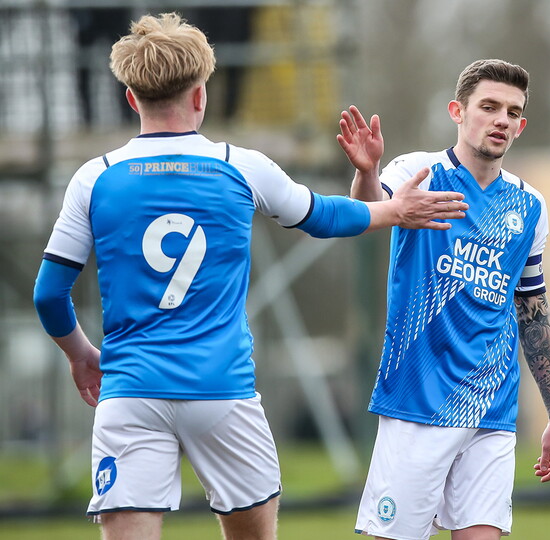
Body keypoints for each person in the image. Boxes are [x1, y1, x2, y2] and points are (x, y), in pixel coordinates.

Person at [31, 13, 467, 540]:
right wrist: (395, 208)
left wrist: (82, 356)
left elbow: (50, 295)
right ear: (201, 96)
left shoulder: (94, 178)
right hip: (223, 391)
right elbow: (327, 217)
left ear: (130, 98)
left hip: (131, 391)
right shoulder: (241, 166)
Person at [337, 58, 550, 540]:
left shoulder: (530, 206)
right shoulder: (419, 171)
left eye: (512, 111)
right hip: (418, 399)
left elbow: (532, 309)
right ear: (457, 112)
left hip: (492, 404)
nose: (501, 119)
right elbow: (366, 211)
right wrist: (369, 170)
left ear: (521, 125)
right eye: (489, 106)